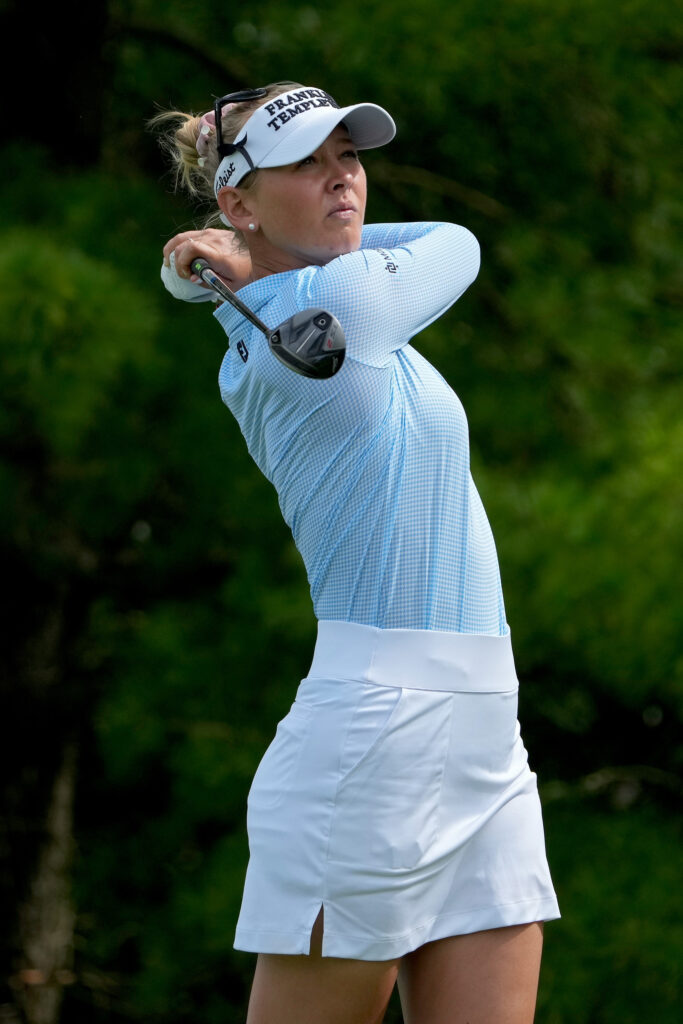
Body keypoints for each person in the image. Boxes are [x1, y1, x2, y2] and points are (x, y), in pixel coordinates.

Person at [155, 81, 560, 1024]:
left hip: (484, 735)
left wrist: (232, 260)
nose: (344, 181)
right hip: (374, 739)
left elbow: (421, 243)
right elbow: (454, 243)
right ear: (236, 201)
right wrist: (241, 267)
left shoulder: (314, 304)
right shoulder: (333, 312)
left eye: (349, 156)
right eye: (306, 163)